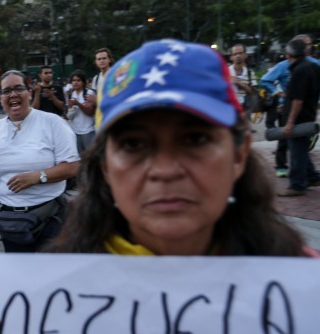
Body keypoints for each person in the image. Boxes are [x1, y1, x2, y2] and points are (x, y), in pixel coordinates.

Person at [46, 39, 312, 257]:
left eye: (195, 140)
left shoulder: (304, 285)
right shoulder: (51, 294)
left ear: (239, 153)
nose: (165, 171)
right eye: (133, 144)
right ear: (105, 167)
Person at [0, 70, 79, 253]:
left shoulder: (52, 122)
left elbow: (72, 167)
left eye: (18, 88)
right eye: (7, 91)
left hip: (49, 218)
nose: (13, 94)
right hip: (11, 224)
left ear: (29, 93)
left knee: (53, 275)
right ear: (1, 98)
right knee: (20, 277)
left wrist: (38, 177)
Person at [260, 34, 320, 178]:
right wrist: (279, 94)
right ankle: (284, 166)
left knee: (298, 145)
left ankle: (302, 180)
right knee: (289, 142)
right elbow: (265, 80)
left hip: (304, 110)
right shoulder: (284, 65)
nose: (306, 47)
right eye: (303, 44)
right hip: (287, 108)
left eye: (308, 44)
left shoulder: (313, 65)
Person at [278, 38, 320, 197]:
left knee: (296, 150)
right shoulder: (314, 67)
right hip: (308, 114)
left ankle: (297, 184)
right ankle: (312, 176)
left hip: (299, 118)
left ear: (289, 55)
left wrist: (290, 122)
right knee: (300, 148)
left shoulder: (299, 71)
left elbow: (298, 99)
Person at [66, 70, 97, 155]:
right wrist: (70, 108)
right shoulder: (71, 94)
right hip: (75, 131)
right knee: (78, 158)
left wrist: (78, 104)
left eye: (78, 80)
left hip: (88, 130)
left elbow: (91, 113)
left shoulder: (88, 93)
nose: (75, 83)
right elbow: (68, 116)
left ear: (83, 82)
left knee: (90, 156)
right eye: (73, 80)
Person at [228, 43, 258, 114]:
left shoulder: (250, 73)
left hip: (245, 109)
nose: (238, 56)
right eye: (235, 54)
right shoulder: (225, 72)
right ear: (231, 57)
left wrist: (239, 83)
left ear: (245, 55)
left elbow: (254, 92)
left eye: (240, 53)